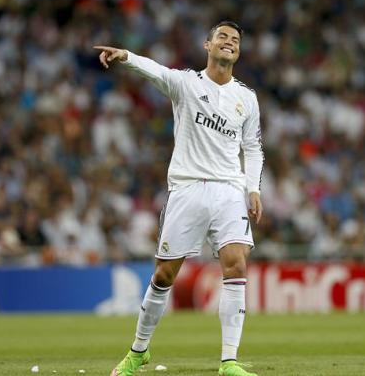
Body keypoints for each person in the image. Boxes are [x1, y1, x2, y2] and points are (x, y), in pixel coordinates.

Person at [95, 20, 264, 376]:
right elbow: (155, 71)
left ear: (239, 51)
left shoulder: (246, 98)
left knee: (236, 265)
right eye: (223, 37)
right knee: (163, 275)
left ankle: (229, 361)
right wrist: (126, 56)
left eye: (235, 40)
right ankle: (138, 351)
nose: (229, 42)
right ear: (207, 45)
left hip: (229, 191)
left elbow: (253, 147)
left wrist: (253, 188)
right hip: (187, 188)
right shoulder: (187, 83)